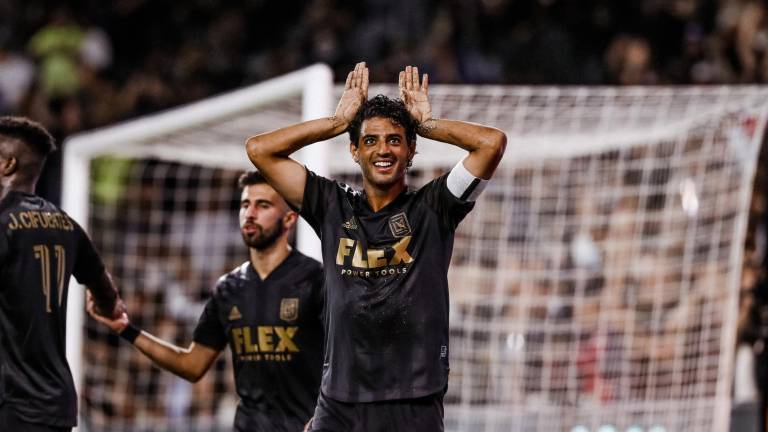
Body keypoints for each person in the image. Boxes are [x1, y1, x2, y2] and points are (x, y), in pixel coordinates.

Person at [246, 62, 507, 431]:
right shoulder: (331, 205)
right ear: (354, 151)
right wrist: (336, 123)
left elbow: (491, 143)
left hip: (412, 400)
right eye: (370, 140)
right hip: (339, 401)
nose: (382, 150)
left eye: (394, 139)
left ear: (411, 149)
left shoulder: (435, 207)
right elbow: (259, 150)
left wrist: (428, 124)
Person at [87, 170, 325, 432]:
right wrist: (126, 329)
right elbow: (192, 365)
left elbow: (348, 360)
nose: (250, 213)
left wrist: (327, 418)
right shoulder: (229, 288)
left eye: (263, 205)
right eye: (245, 204)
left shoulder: (316, 280)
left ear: (289, 218)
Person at [0, 116, 124, 432]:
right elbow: (106, 291)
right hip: (55, 403)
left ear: (6, 164)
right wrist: (107, 306)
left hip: (11, 403)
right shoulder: (66, 225)